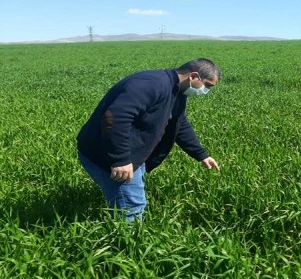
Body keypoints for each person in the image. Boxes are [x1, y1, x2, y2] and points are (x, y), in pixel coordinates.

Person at [77, 58, 222, 221]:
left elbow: (179, 124)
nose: (206, 90)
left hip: (125, 152)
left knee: (129, 201)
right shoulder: (151, 84)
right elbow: (115, 118)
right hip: (108, 153)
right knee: (131, 206)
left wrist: (201, 154)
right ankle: (126, 244)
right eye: (208, 85)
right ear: (194, 76)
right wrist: (120, 160)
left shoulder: (177, 91)